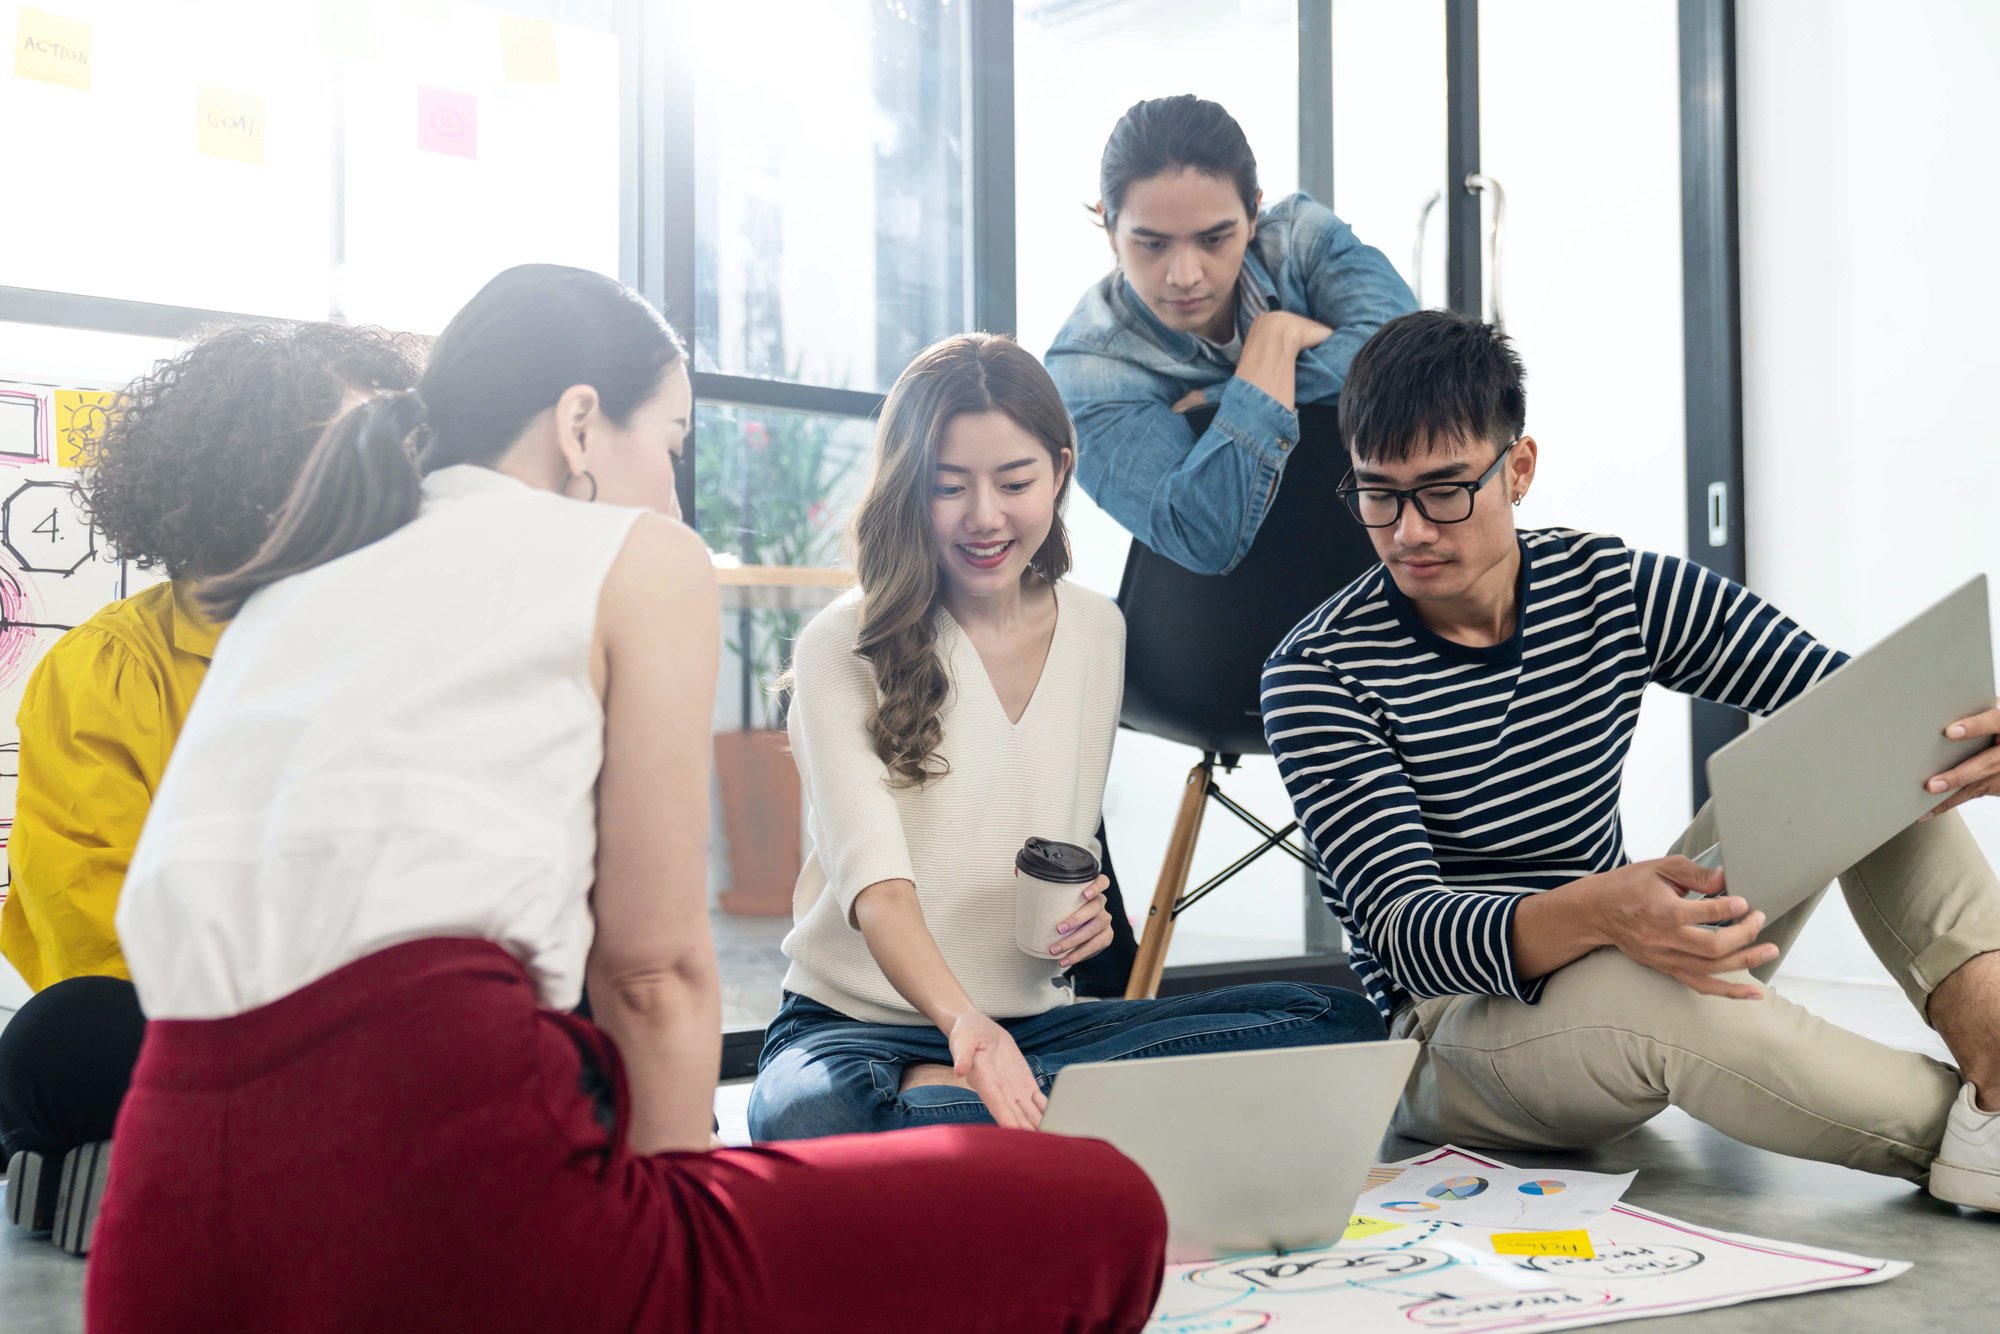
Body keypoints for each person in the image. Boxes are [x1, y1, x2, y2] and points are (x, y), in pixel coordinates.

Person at [87, 267, 1168, 1333]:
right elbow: (649, 971)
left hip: (162, 1228)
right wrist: (678, 1232)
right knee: (1104, 1204)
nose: (673, 488)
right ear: (578, 423)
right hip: (449, 1205)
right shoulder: (636, 556)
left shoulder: (300, 574)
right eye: (673, 440)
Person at [1260, 309, 2000, 1212]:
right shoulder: (1317, 670)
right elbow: (1409, 930)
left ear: (1518, 469)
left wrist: (1963, 738)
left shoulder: (1606, 587)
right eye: (1380, 495)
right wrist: (1605, 912)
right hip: (1454, 1036)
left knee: (1853, 747)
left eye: (1445, 490)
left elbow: (1849, 700)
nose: (1411, 530)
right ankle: (1967, 1135)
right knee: (1664, 1004)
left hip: (1631, 949)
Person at [748, 333, 1384, 1143]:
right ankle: (1043, 1114)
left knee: (1336, 1020)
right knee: (808, 1117)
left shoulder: (1097, 631)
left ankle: (992, 1123)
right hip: (855, 1032)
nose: (985, 517)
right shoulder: (843, 644)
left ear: (1058, 470)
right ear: (909, 490)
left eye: (1014, 482)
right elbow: (877, 890)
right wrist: (964, 1031)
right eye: (948, 487)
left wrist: (1087, 923)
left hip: (1037, 1035)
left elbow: (1062, 844)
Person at [0, 322, 423, 1249]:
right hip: (181, 1024)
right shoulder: (107, 667)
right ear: (246, 473)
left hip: (378, 1020)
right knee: (68, 1035)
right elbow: (95, 928)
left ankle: (229, 1156)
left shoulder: (414, 651)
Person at [1046, 94, 1416, 576]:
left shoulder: (1298, 239)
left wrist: (1226, 388)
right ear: (1110, 229)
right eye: (1152, 244)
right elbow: (1202, 532)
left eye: (1214, 239)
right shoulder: (1086, 366)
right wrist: (1278, 347)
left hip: (1374, 576)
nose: (1185, 274)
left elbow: (1411, 368)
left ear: (1255, 214)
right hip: (1205, 623)